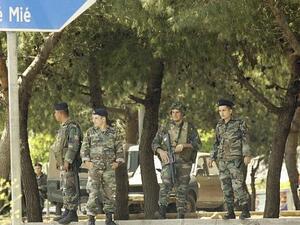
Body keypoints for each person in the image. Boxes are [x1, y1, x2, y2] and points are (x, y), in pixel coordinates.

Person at [152, 101, 202, 219]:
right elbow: (154, 143)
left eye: (177, 112)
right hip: (169, 160)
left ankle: (181, 214)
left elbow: (198, 144)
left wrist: (184, 146)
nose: (174, 115)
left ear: (182, 114)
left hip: (184, 162)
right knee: (166, 184)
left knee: (182, 188)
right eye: (172, 112)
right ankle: (162, 211)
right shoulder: (165, 127)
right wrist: (160, 151)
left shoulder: (189, 127)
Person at [208, 99, 251, 220]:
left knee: (237, 186)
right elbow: (216, 143)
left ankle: (245, 210)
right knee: (226, 187)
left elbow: (245, 139)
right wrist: (212, 157)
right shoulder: (219, 125)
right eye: (220, 111)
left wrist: (247, 154)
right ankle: (230, 211)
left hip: (235, 160)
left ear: (230, 111)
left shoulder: (239, 123)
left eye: (224, 110)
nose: (221, 113)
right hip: (222, 161)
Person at [80, 108, 125, 225]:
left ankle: (109, 219)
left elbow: (119, 149)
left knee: (110, 193)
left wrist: (118, 162)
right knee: (93, 192)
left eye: (96, 118)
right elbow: (84, 148)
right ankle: (90, 219)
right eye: (93, 118)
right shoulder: (90, 132)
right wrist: (86, 162)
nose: (93, 120)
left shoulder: (114, 132)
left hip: (109, 168)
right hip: (94, 167)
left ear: (103, 119)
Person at [51, 102, 83, 224]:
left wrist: (67, 160)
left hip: (69, 163)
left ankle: (72, 213)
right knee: (66, 188)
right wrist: (59, 161)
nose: (54, 115)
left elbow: (73, 146)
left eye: (55, 112)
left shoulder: (72, 127)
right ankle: (67, 210)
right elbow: (59, 146)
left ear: (60, 113)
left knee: (71, 187)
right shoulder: (63, 127)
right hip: (63, 164)